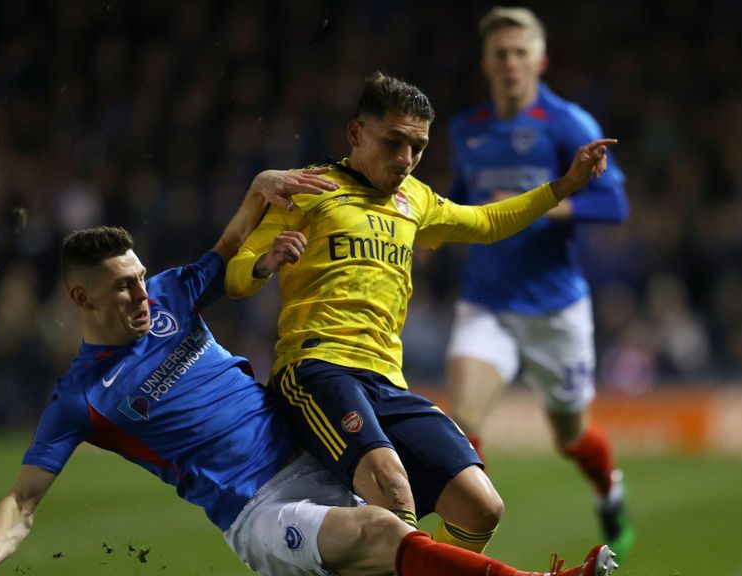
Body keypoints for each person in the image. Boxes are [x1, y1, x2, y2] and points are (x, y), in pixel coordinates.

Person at [0, 169, 620, 576]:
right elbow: (25, 500)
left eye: (141, 278)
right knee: (386, 532)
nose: (141, 294)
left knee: (435, 514)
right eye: (123, 288)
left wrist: (257, 193)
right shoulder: (82, 400)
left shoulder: (175, 297)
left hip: (320, 457)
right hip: (260, 511)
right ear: (81, 299)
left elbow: (226, 250)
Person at [225, 71, 617, 555]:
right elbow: (236, 275)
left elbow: (487, 222)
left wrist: (562, 186)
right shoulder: (306, 188)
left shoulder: (417, 200)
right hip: (317, 368)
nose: (406, 159)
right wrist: (265, 262)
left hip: (387, 382)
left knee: (481, 507)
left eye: (418, 146)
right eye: (394, 142)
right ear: (356, 134)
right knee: (394, 495)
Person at [443, 7, 634, 559]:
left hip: (554, 306)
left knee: (571, 436)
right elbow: (460, 197)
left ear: (540, 60)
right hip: (487, 300)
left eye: (519, 53)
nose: (509, 63)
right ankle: (464, 548)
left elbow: (613, 202)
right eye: (500, 53)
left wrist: (537, 206)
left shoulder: (569, 124)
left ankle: (608, 490)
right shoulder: (466, 130)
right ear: (486, 62)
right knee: (464, 421)